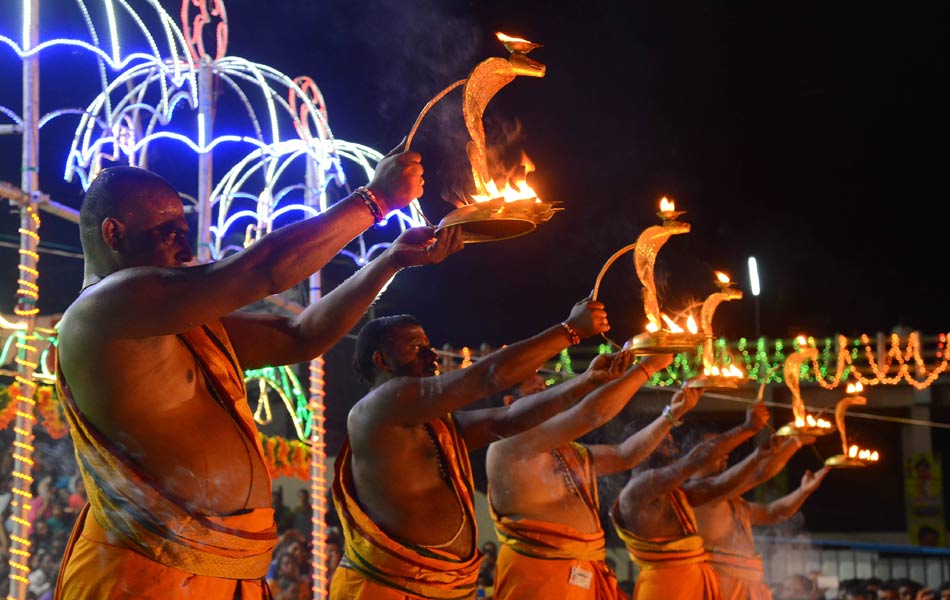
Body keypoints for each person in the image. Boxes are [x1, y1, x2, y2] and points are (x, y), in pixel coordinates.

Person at [54, 146, 463, 599]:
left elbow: (299, 335)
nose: (186, 247)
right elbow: (262, 270)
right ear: (114, 233)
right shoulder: (100, 311)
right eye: (167, 232)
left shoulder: (182, 325)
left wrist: (389, 261)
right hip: (147, 574)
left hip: (231, 573)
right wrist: (374, 201)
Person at [330, 298, 611, 598]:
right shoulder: (378, 407)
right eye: (415, 348)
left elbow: (508, 419)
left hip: (447, 587)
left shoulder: (435, 424)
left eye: (428, 345)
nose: (431, 355)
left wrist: (585, 382)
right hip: (392, 588)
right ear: (382, 361)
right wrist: (569, 331)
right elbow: (489, 377)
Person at [486, 351, 686, 599]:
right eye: (538, 395)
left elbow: (625, 455)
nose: (550, 400)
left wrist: (670, 415)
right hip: (540, 581)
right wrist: (648, 367)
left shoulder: (566, 452)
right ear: (509, 403)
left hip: (584, 576)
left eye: (546, 389)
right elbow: (590, 415)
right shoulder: (506, 447)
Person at [610, 399, 770, 600]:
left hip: (694, 585)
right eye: (665, 444)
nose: (674, 450)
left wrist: (772, 451)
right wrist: (746, 429)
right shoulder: (637, 491)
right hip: (666, 589)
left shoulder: (675, 493)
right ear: (643, 446)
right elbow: (693, 462)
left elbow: (722, 486)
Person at [690, 428, 828, 600]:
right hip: (717, 591)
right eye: (718, 448)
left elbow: (775, 513)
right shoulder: (697, 494)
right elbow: (759, 474)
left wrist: (803, 491)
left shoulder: (733, 501)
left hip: (744, 590)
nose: (726, 455)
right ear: (694, 455)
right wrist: (795, 441)